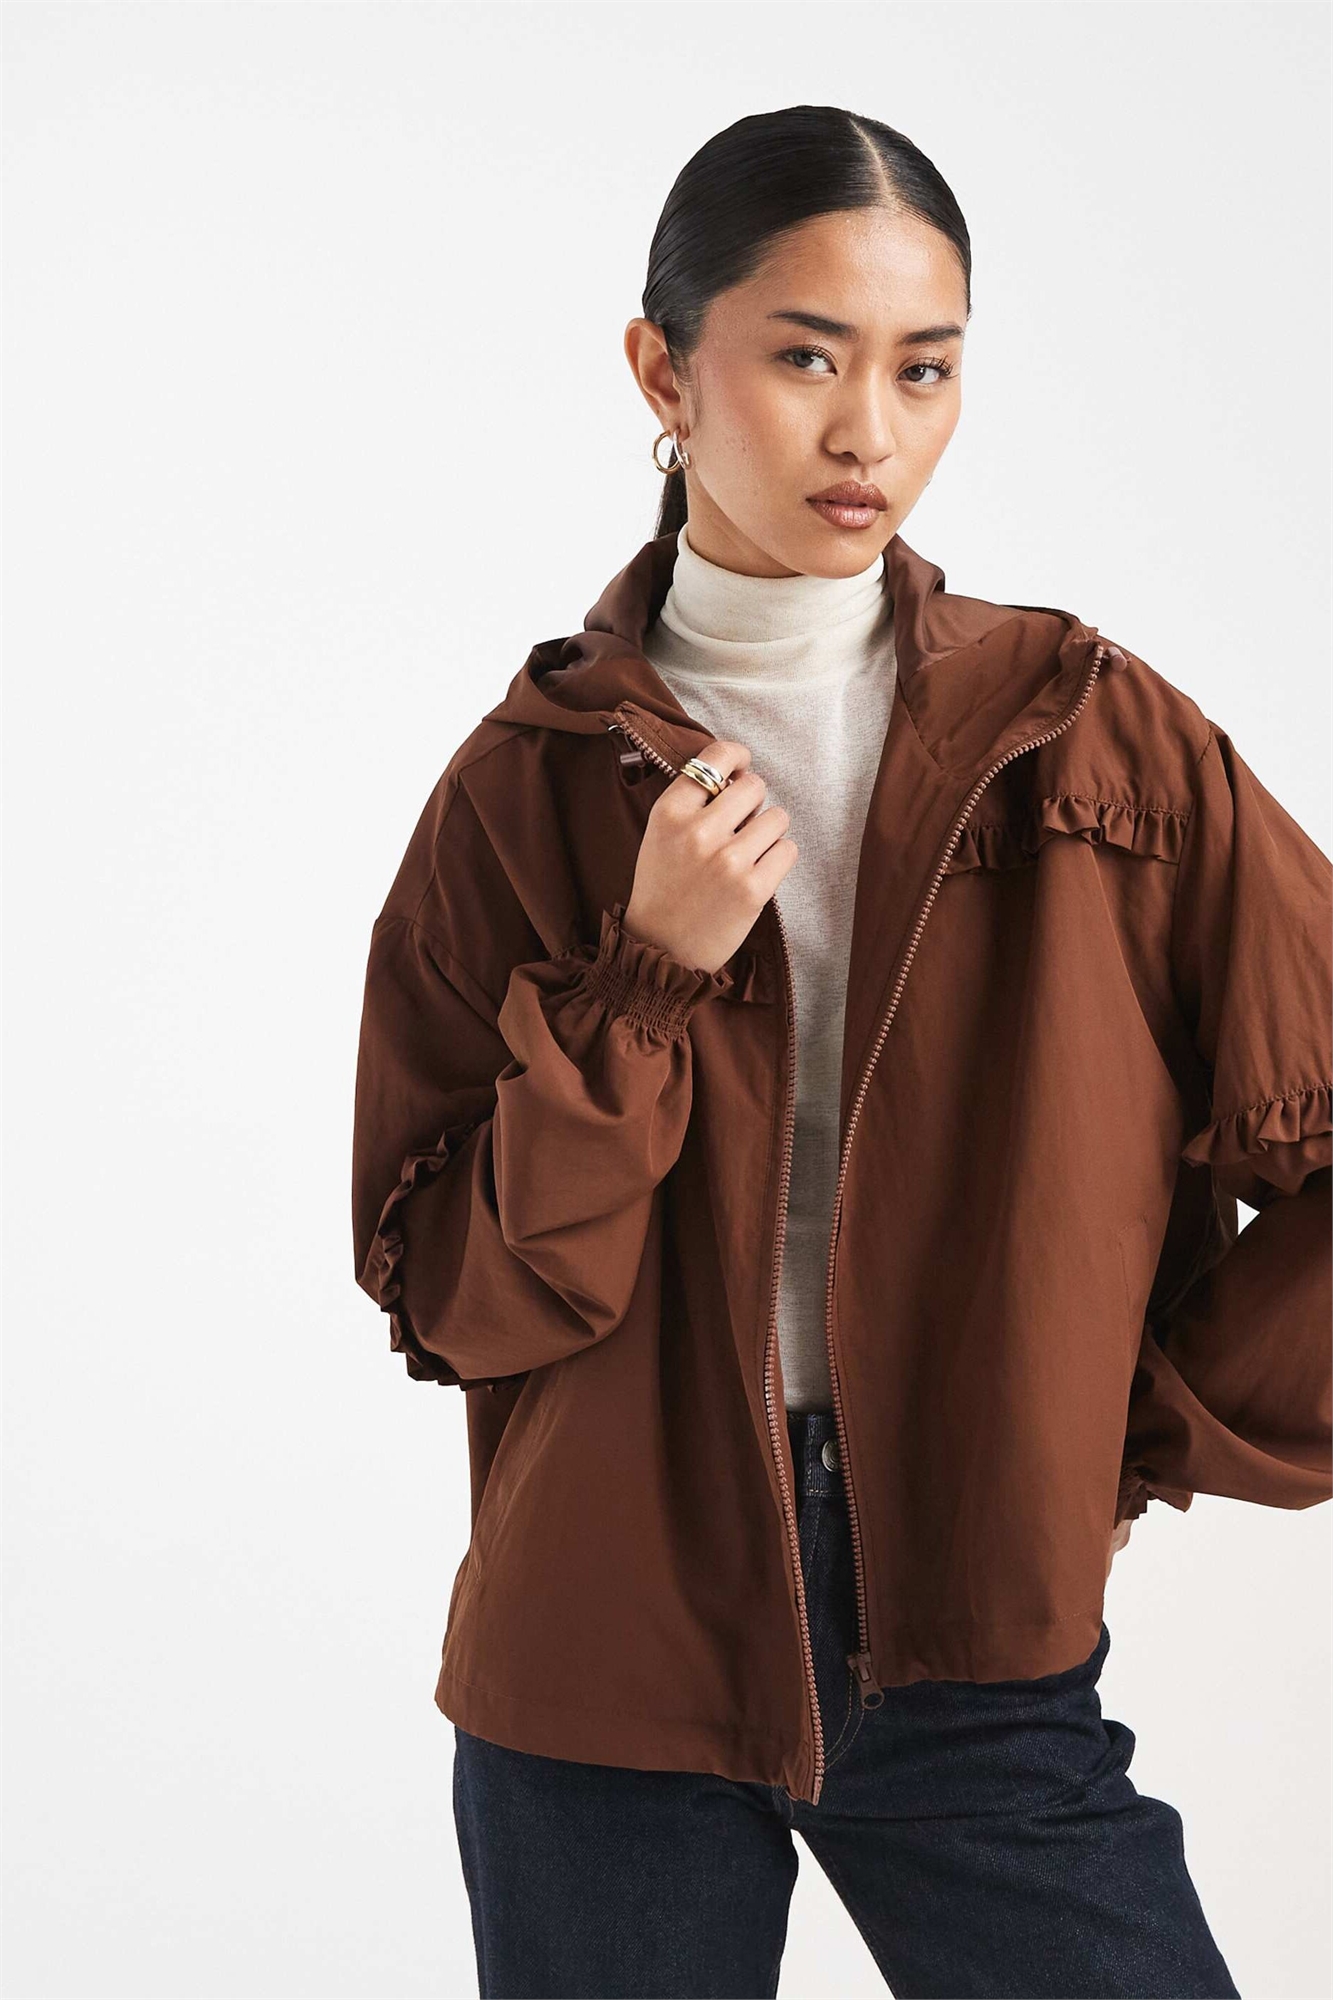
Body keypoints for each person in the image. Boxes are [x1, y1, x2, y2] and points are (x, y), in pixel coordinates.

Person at [351, 104, 1331, 1999]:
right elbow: (458, 1303)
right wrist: (642, 980)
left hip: (968, 1634)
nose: (867, 429)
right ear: (664, 372)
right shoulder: (523, 791)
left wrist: (1120, 1424)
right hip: (598, 1665)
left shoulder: (1093, 742)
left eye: (922, 367)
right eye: (805, 357)